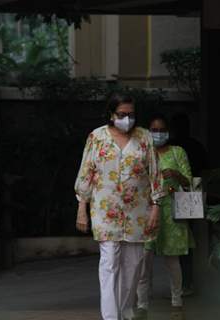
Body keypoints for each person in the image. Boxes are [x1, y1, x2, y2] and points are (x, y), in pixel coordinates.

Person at [75, 93, 164, 320]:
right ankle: (111, 317)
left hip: (138, 211)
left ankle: (124, 310)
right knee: (109, 263)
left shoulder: (144, 137)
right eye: (122, 115)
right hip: (105, 210)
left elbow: (155, 173)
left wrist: (156, 206)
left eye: (131, 115)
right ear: (111, 115)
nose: (127, 119)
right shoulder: (97, 137)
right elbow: (86, 174)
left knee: (133, 266)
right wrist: (81, 208)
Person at [134, 114, 195, 320]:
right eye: (154, 129)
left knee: (172, 261)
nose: (157, 133)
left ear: (168, 132)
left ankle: (176, 301)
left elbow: (189, 182)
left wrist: (176, 175)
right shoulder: (141, 152)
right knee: (144, 261)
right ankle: (142, 304)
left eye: (161, 130)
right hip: (147, 212)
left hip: (171, 212)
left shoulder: (178, 152)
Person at [169, 113, 207, 295]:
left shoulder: (186, 146)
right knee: (183, 240)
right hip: (183, 193)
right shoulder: (174, 146)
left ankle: (187, 283)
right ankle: (186, 283)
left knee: (185, 239)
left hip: (189, 193)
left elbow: (204, 169)